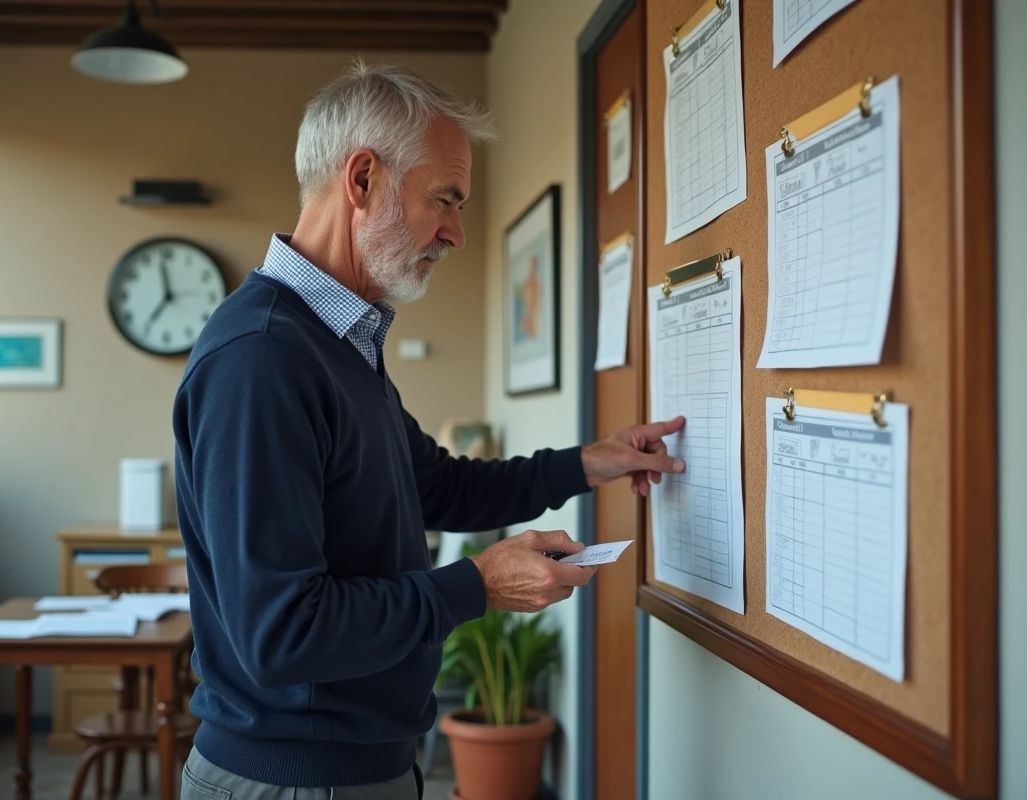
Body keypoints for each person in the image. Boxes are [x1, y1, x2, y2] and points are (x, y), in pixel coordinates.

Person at [172, 60, 687, 800]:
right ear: (362, 181)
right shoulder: (264, 359)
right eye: (445, 200)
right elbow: (281, 634)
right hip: (295, 782)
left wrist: (588, 462)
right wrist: (475, 585)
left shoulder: (336, 343)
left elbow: (438, 486)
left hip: (356, 770)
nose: (457, 233)